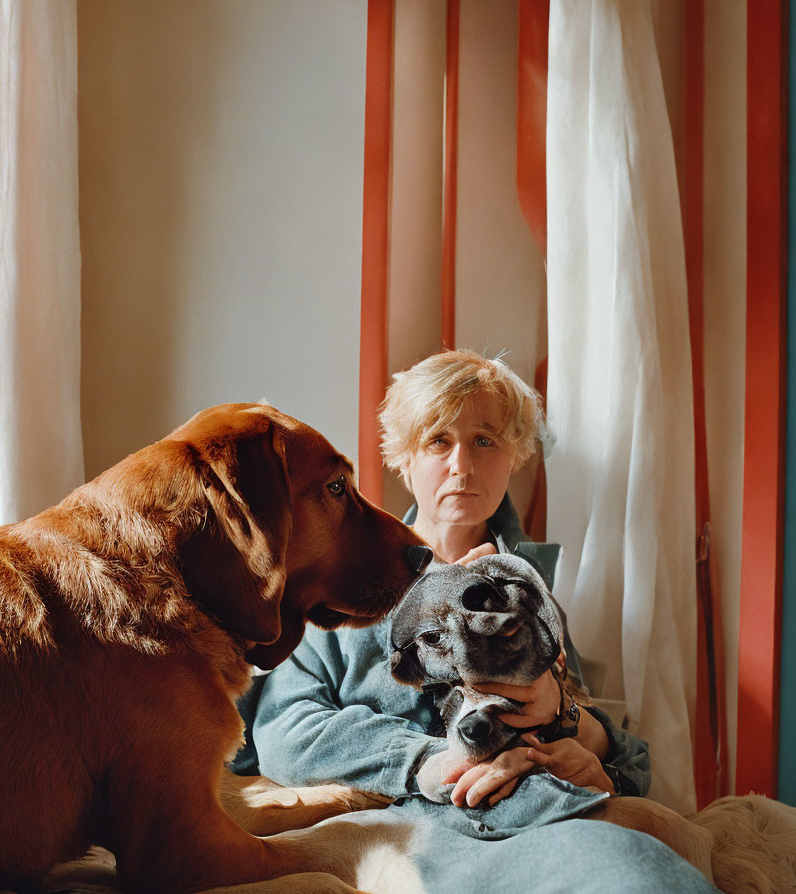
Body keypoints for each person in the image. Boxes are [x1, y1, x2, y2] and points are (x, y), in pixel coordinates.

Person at [232, 350, 718, 892]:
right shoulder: (337, 588)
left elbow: (618, 747)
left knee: (650, 866)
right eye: (438, 440)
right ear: (404, 458)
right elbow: (284, 729)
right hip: (421, 824)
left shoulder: (531, 596)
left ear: (514, 457)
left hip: (549, 812)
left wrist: (584, 741)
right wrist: (429, 763)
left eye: (485, 440)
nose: (461, 464)